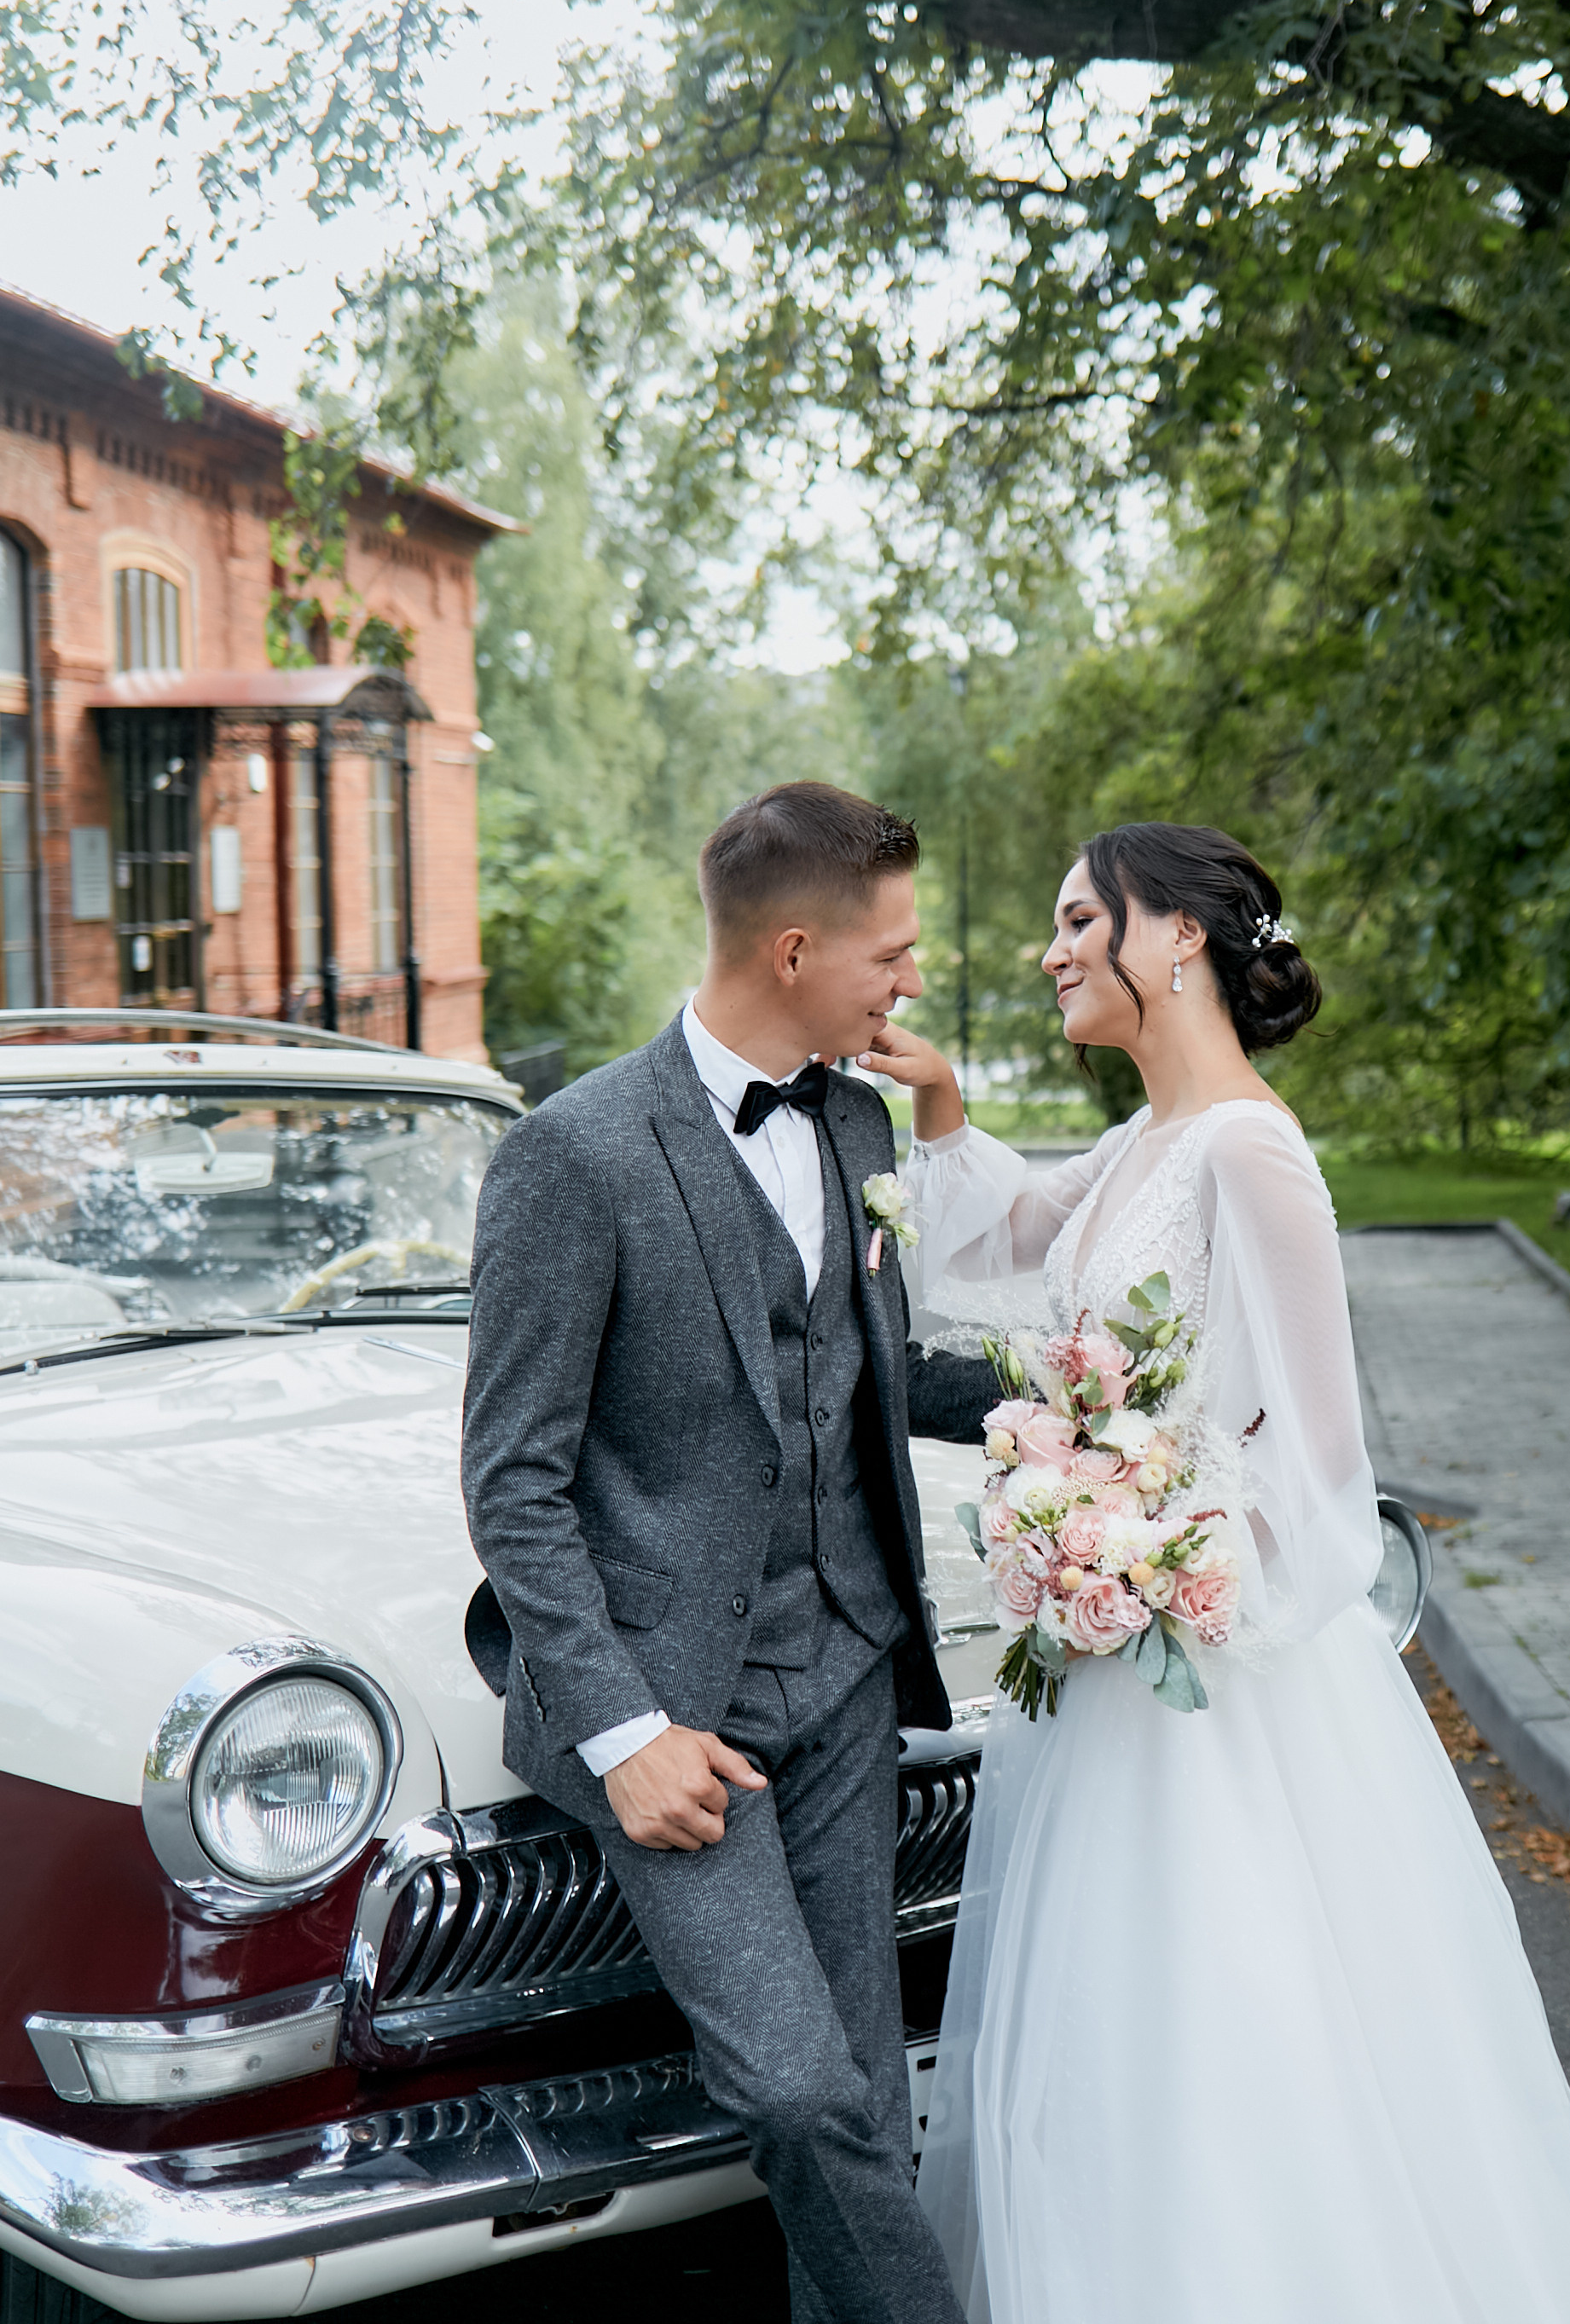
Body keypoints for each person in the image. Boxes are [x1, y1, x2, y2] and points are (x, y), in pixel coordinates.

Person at [861, 822, 1570, 2324]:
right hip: (1104, 1682)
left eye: (1079, 918)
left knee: (1236, 2036)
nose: (1053, 952)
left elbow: (1321, 1474)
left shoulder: (1252, 1150)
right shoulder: (1135, 1149)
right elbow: (992, 1250)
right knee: (1109, 2047)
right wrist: (946, 1099)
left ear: (1175, 939)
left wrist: (1154, 1555)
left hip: (1215, 1688)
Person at [460, 782, 966, 2324]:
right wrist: (622, 1736)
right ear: (797, 949)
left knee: (867, 2106)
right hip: (679, 1723)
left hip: (848, 1677)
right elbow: (514, 1479)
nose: (911, 983)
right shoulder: (576, 1153)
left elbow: (872, 1366)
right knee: (799, 2096)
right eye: (892, 952)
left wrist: (1104, 1391)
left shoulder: (860, 1118)